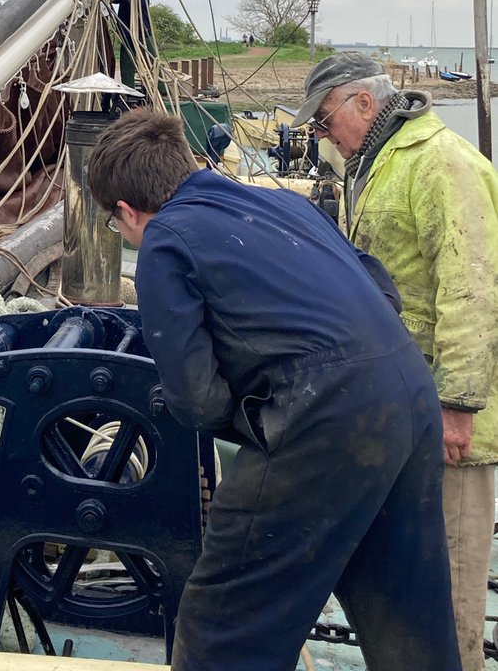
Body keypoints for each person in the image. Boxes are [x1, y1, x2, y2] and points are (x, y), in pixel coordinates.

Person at [88, 108, 461, 671]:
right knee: (407, 611)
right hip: (410, 394)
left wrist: (260, 416)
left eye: (118, 228)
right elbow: (382, 290)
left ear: (125, 211)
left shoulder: (165, 240)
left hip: (326, 416)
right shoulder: (283, 203)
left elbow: (195, 398)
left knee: (226, 623)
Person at [295, 51, 498, 671]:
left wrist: (458, 408)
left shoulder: (441, 163)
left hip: (448, 429)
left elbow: (471, 288)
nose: (323, 135)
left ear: (363, 102)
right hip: (403, 415)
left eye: (326, 120)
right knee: (412, 584)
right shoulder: (378, 163)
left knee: (451, 594)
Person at [107, 0, 157, 88]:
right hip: (127, 33)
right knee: (127, 62)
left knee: (152, 59)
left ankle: (162, 88)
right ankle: (128, 87)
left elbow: (128, 0)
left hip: (142, 33)